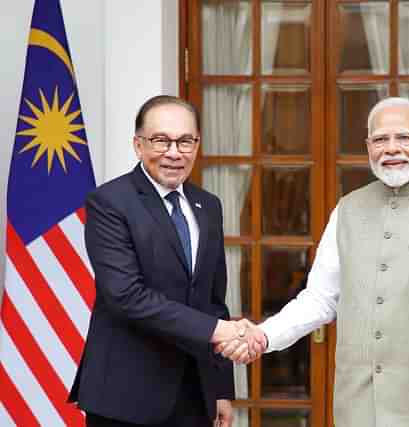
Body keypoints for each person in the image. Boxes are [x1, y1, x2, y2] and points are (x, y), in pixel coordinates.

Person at [218, 97, 409, 427]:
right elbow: (320, 299)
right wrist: (264, 336)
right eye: (380, 139)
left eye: (404, 137)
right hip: (360, 408)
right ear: (368, 147)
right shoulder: (347, 210)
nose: (392, 149)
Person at [69, 95, 264, 427]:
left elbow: (213, 300)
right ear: (138, 145)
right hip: (126, 396)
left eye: (185, 141)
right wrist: (220, 331)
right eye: (161, 141)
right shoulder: (110, 202)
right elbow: (126, 296)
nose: (174, 153)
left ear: (197, 145)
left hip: (194, 394)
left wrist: (219, 389)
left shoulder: (209, 205)